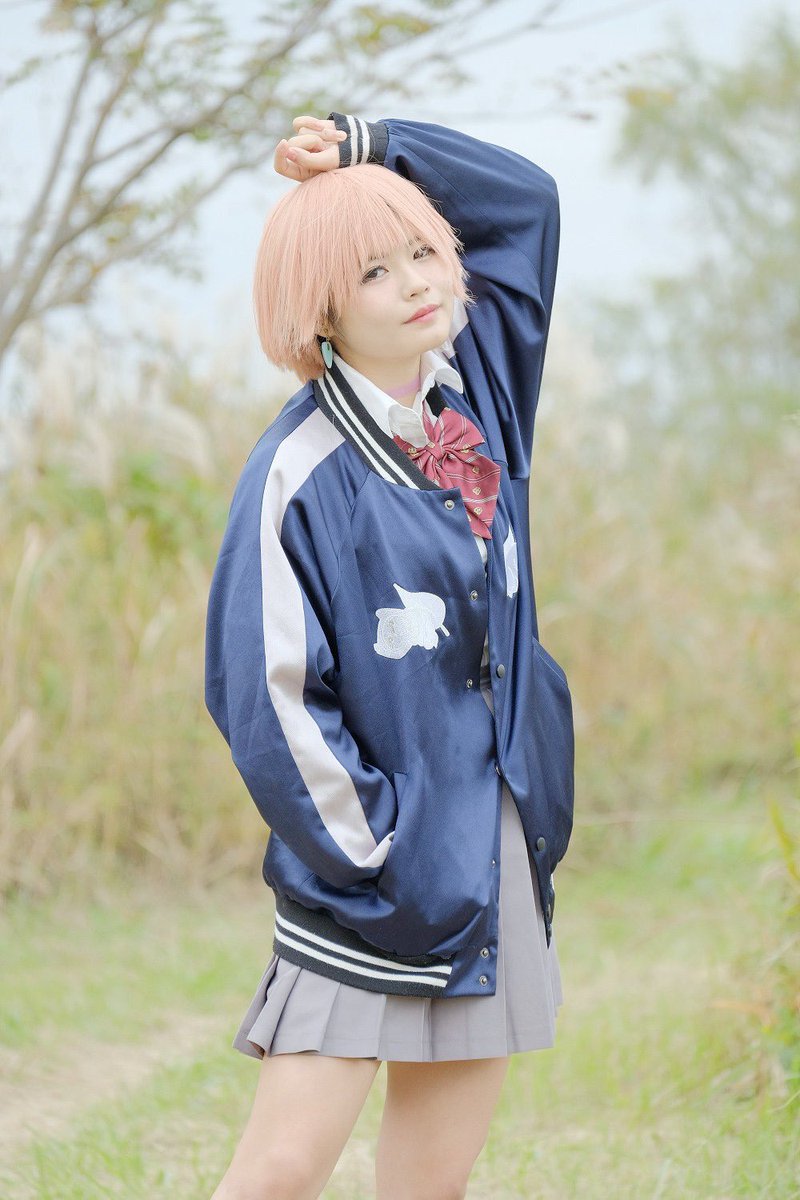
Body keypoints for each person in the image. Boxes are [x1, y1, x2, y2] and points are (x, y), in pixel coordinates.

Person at [205, 110, 575, 1200]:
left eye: (423, 250)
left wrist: (372, 146)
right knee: (280, 1172)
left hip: (491, 845)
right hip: (372, 872)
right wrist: (376, 849)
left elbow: (527, 203)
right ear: (320, 308)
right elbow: (265, 695)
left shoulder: (481, 391)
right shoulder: (298, 471)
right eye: (374, 270)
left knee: (430, 1184)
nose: (417, 283)